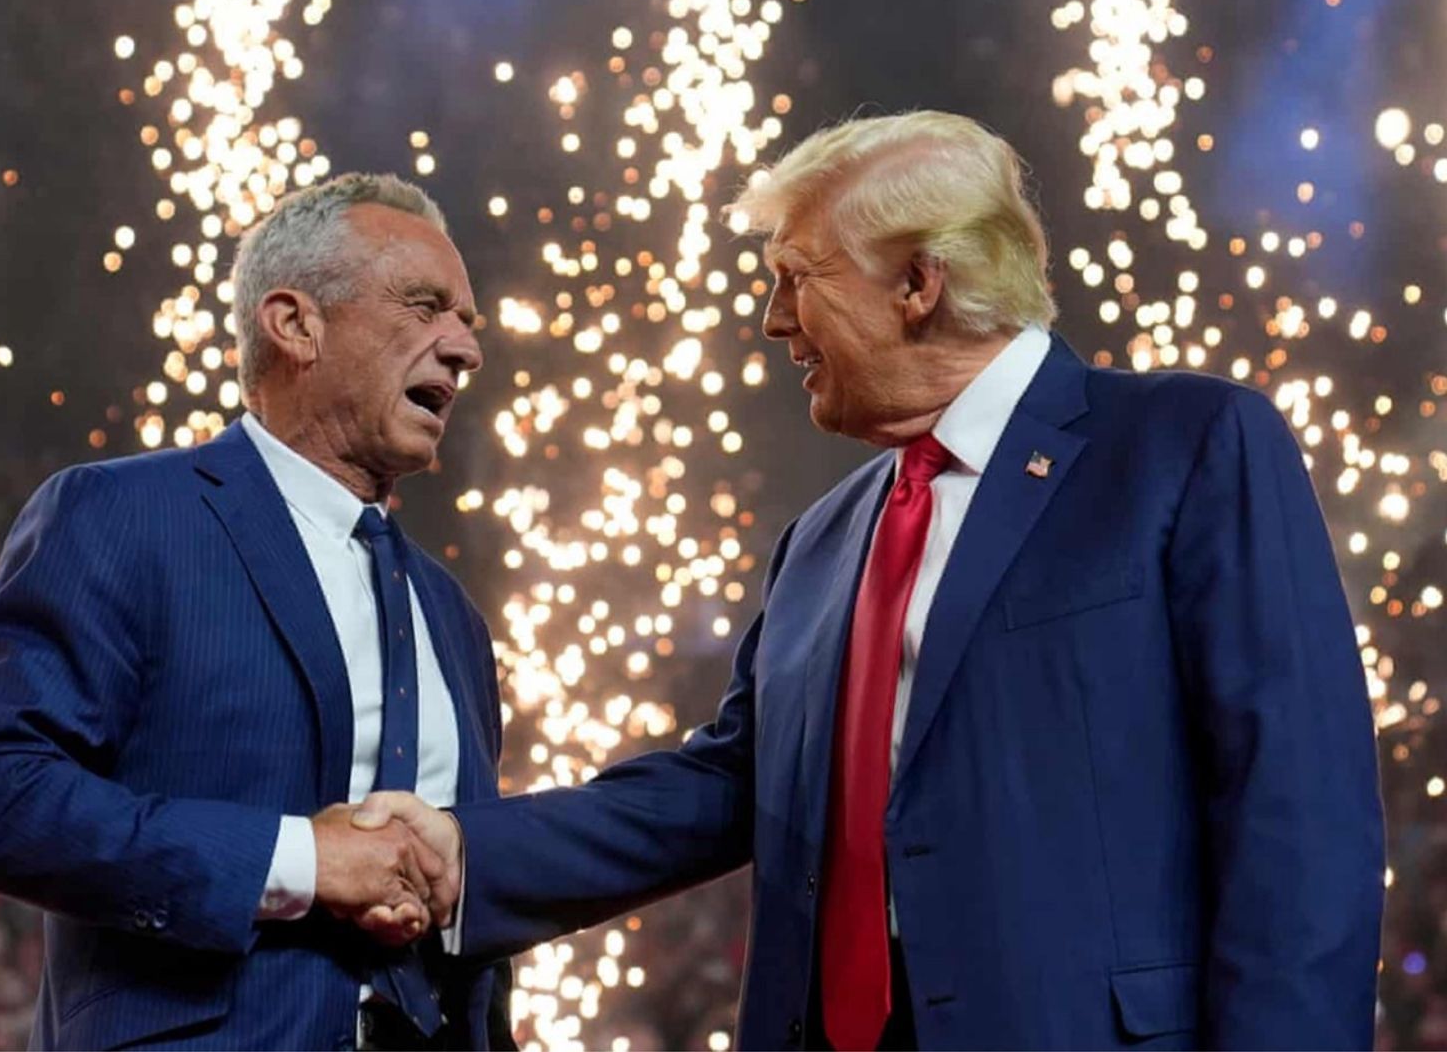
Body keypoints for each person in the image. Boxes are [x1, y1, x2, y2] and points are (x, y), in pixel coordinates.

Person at [357, 111, 1385, 1050]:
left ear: (918, 281)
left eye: (795, 277)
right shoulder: (823, 538)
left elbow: (1297, 817)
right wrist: (455, 851)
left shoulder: (1180, 447)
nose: (770, 320)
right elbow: (726, 787)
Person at [0, 173, 513, 1050]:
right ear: (295, 322)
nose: (464, 349)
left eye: (468, 322)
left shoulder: (453, 618)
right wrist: (303, 863)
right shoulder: (126, 516)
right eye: (427, 305)